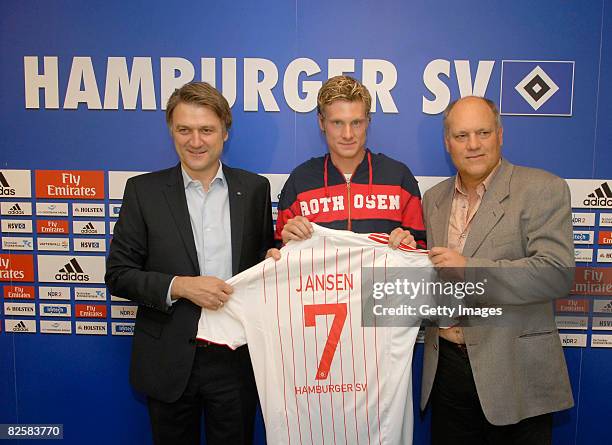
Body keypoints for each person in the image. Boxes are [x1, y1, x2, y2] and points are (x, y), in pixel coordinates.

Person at [105, 82, 274, 445]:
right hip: (168, 357)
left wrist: (274, 260)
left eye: (206, 130)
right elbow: (119, 275)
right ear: (171, 130)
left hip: (237, 359)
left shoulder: (255, 189)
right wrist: (179, 286)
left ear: (225, 132)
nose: (195, 141)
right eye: (184, 129)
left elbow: (262, 261)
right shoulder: (143, 191)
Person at [420, 96, 574, 444]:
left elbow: (555, 272)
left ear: (500, 135)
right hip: (447, 370)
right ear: (447, 144)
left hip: (515, 372)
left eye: (482, 132)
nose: (473, 145)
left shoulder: (541, 189)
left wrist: (469, 269)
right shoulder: (434, 199)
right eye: (461, 136)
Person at [272, 75, 425, 251]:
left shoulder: (398, 178)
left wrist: (411, 245)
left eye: (356, 123)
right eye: (337, 123)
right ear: (321, 122)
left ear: (368, 121)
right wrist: (286, 242)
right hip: (321, 280)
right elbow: (278, 257)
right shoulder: (300, 182)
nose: (347, 134)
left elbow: (421, 255)